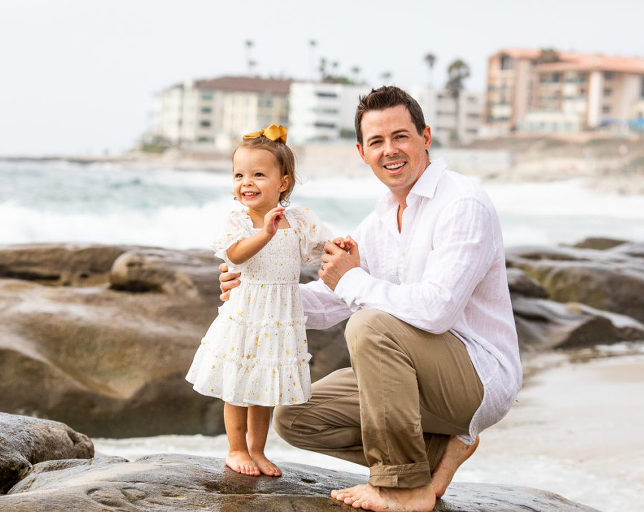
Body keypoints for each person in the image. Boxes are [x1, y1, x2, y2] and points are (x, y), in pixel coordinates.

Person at [220, 87, 522, 512]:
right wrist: (256, 296)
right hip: (414, 380)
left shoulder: (462, 203)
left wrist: (353, 278)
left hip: (475, 376)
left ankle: (402, 488)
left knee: (369, 323)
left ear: (426, 137)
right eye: (377, 142)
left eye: (400, 136)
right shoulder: (380, 220)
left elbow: (435, 312)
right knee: (296, 416)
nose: (390, 151)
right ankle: (437, 455)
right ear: (362, 152)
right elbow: (332, 300)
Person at [186, 124, 332, 478]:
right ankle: (235, 450)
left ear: (283, 182)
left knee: (263, 389)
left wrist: (339, 248)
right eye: (239, 174)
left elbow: (321, 251)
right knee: (237, 386)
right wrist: (265, 231)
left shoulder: (298, 221)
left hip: (279, 318)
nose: (246, 182)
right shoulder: (238, 219)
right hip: (247, 314)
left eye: (258, 174)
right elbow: (235, 255)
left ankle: (258, 450)